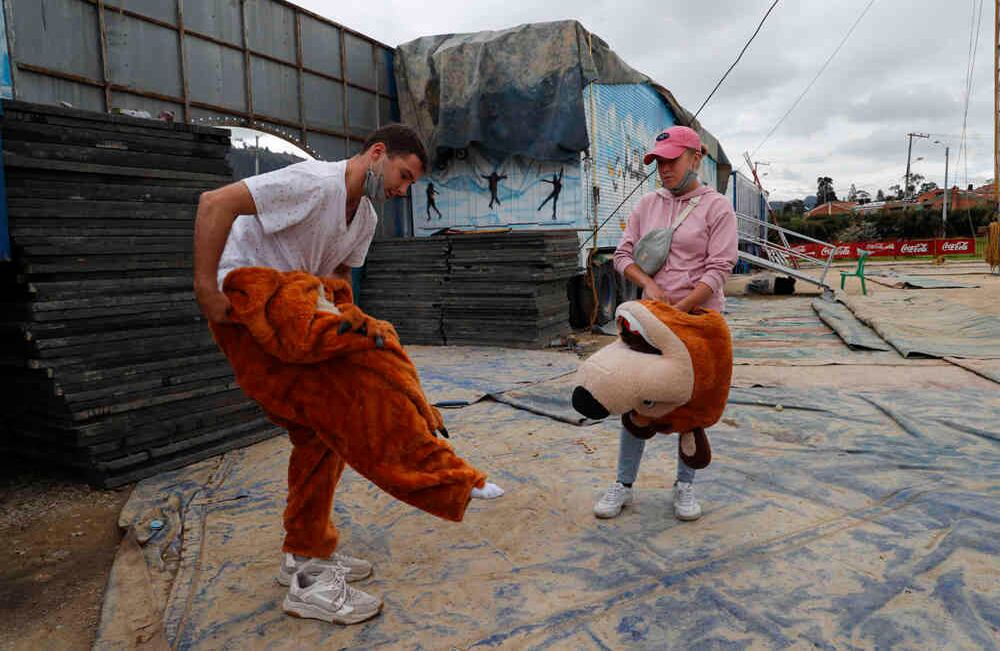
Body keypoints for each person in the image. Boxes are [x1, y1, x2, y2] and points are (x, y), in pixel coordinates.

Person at [193, 124, 503, 625]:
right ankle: (311, 580)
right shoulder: (314, 183)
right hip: (250, 309)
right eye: (403, 175)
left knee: (320, 435)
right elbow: (215, 203)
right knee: (342, 416)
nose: (403, 189)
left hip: (298, 318)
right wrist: (207, 289)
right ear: (377, 154)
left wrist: (345, 331)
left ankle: (304, 552)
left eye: (409, 183)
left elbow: (337, 278)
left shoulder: (364, 218)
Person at [593, 125, 738, 521]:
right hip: (651, 321)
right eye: (658, 162)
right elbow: (623, 256)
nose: (664, 169)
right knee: (636, 397)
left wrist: (684, 307)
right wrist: (649, 285)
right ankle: (622, 484)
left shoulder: (716, 207)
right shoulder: (647, 205)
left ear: (695, 159)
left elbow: (720, 267)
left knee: (690, 404)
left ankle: (685, 487)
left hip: (698, 320)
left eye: (672, 160)